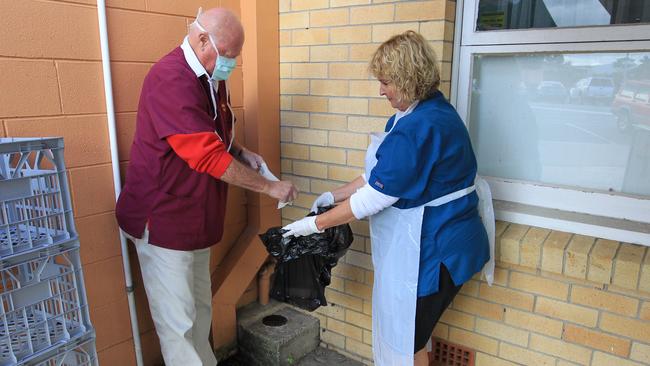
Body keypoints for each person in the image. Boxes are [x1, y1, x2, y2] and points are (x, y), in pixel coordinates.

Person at [282, 31, 492, 366]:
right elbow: (378, 174)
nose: (381, 90)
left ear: (408, 78)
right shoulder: (414, 114)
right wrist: (332, 195)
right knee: (416, 333)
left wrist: (314, 224)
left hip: (440, 251)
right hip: (435, 242)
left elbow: (373, 199)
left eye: (386, 82)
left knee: (408, 339)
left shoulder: (421, 127)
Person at [115, 8, 297, 366]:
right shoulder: (171, 79)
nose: (232, 63)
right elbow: (207, 156)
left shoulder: (210, 75)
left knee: (199, 316)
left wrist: (242, 152)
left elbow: (217, 134)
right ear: (202, 40)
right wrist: (269, 188)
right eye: (228, 54)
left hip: (193, 222)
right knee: (179, 327)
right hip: (164, 222)